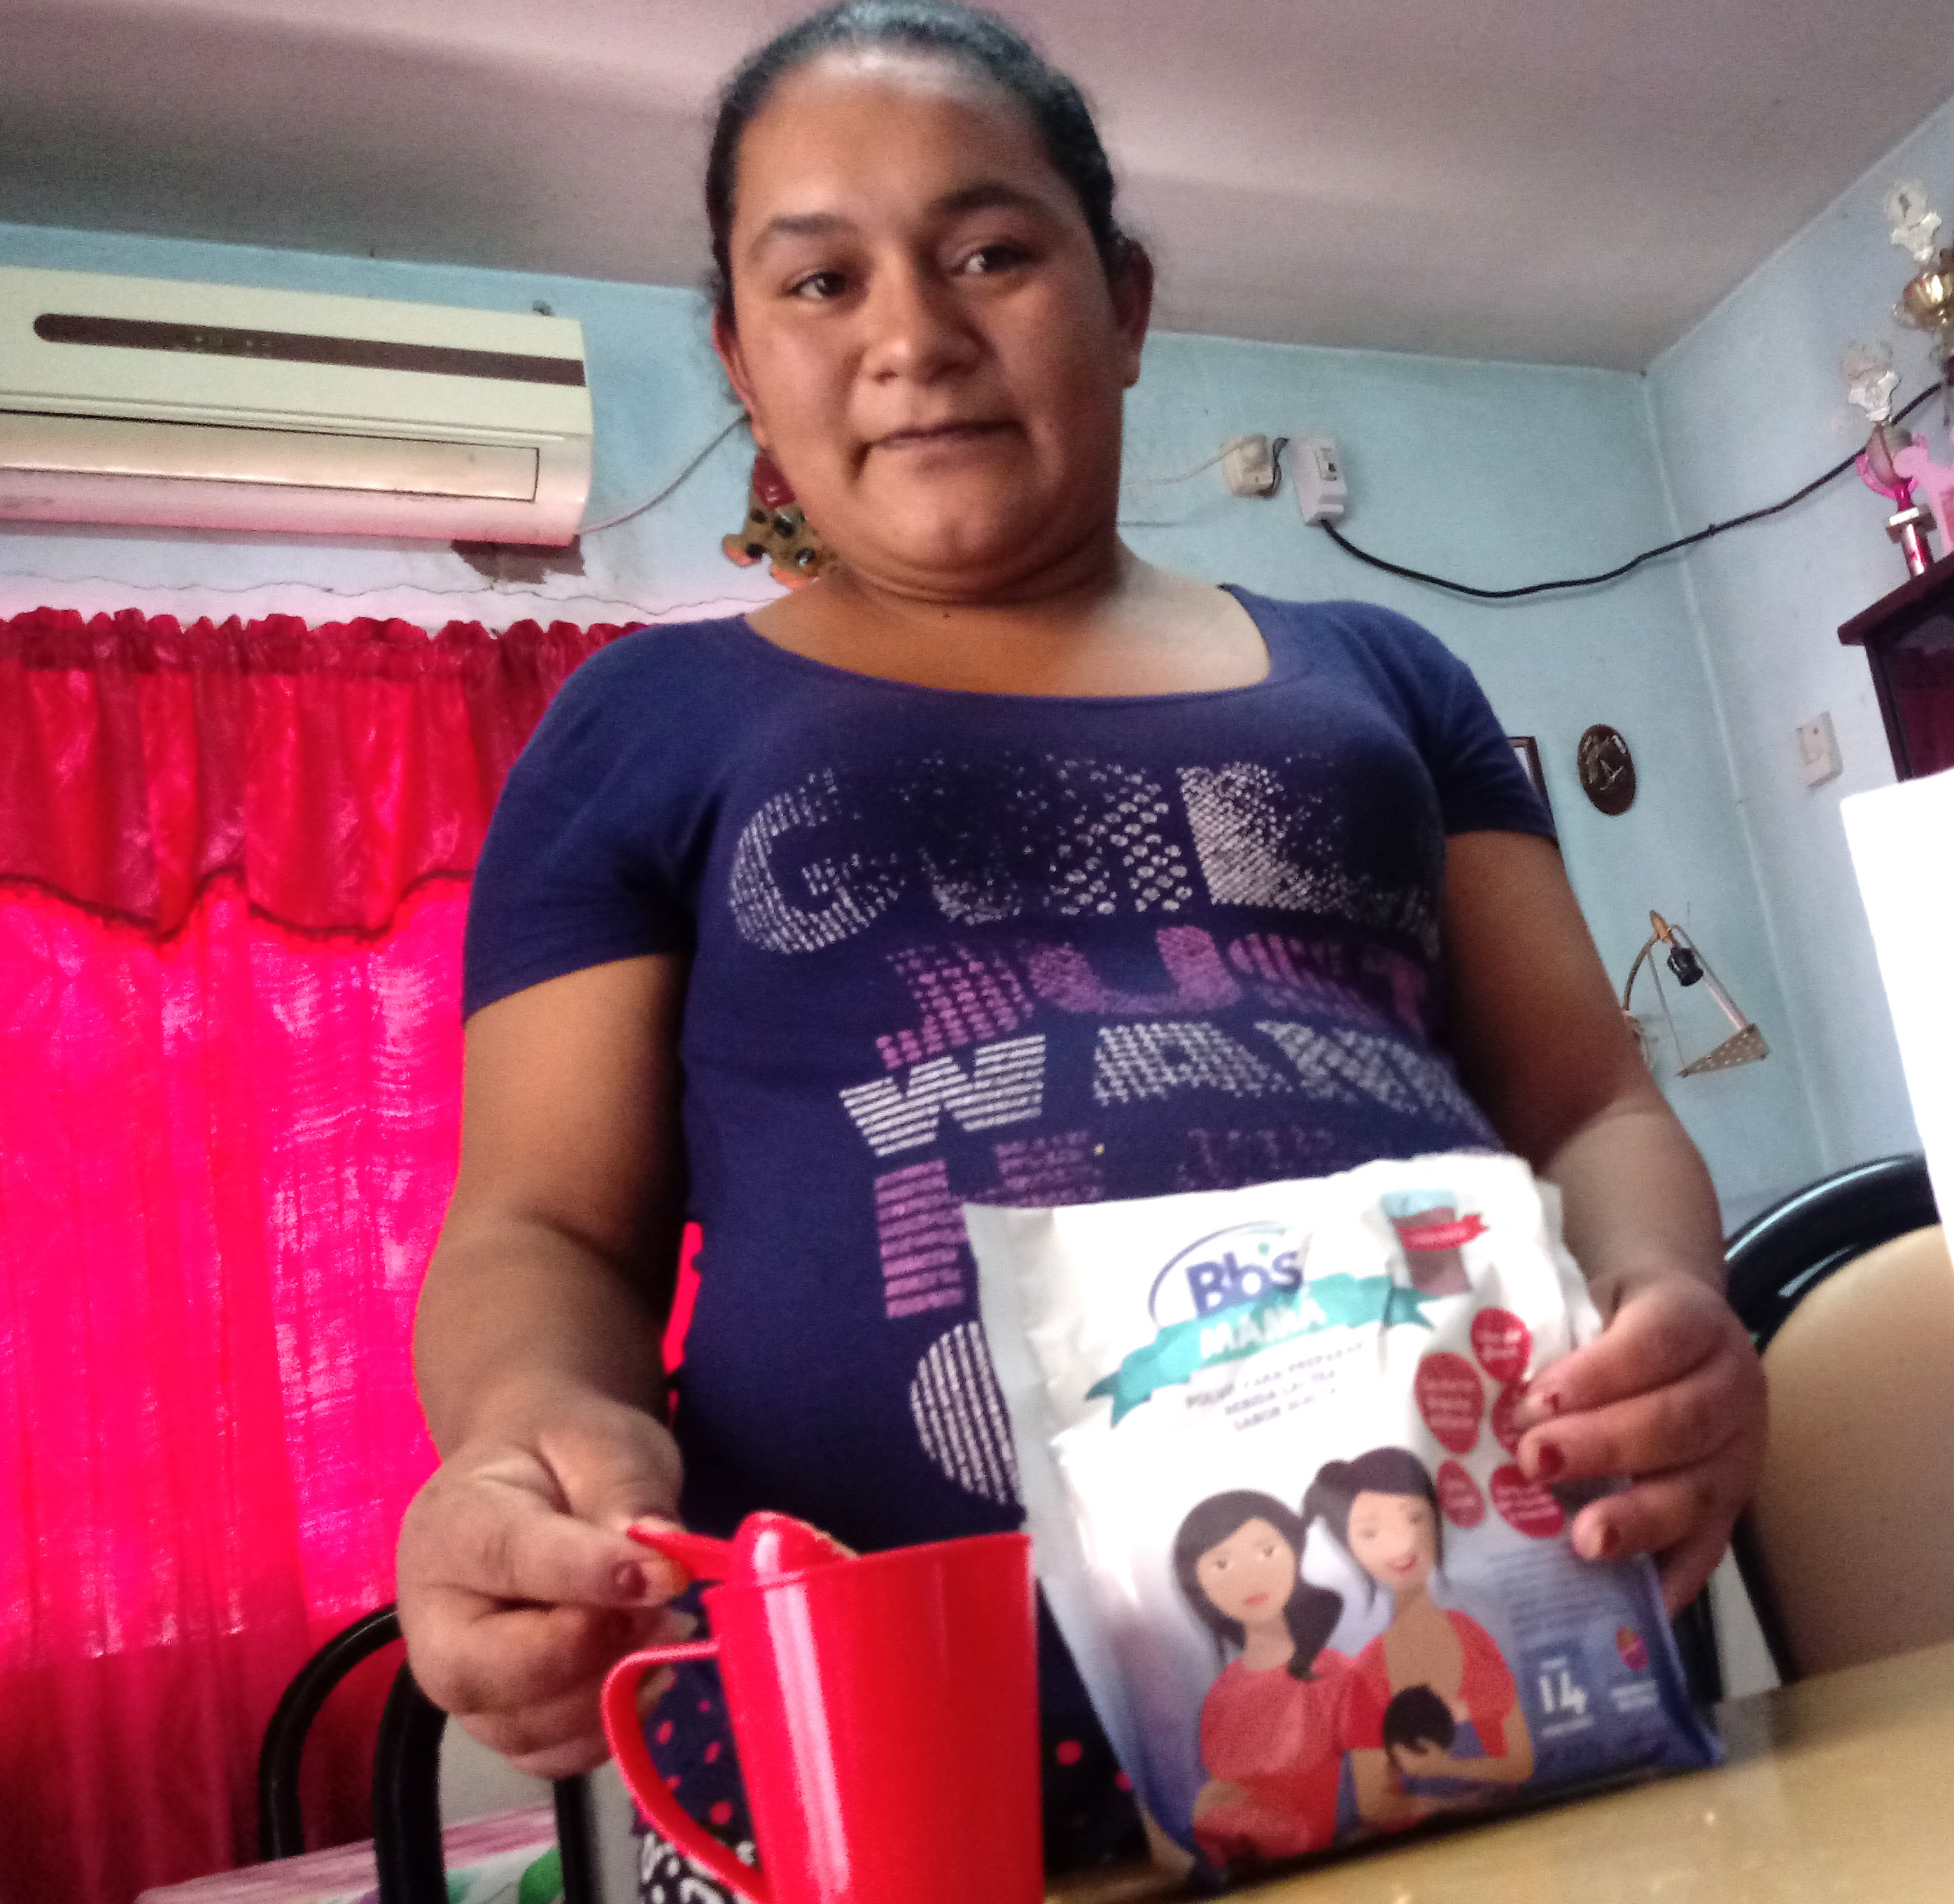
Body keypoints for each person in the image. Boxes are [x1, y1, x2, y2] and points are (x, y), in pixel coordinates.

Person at [389, 0, 1764, 1876]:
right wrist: (528, 1434)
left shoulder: (1385, 676)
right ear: (737, 357)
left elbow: (1591, 1104)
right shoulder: (638, 727)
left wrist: (1665, 1308)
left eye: (988, 252)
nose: (912, 335)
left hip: (1474, 1710)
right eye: (819, 281)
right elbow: (544, 1227)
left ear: (1121, 303)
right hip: (894, 1794)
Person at [1305, 1448, 1531, 1830]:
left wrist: (1444, 1767)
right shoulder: (1367, 1673)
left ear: (1435, 1520)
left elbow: (1521, 1764)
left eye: (1413, 1518)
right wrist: (1454, 1805)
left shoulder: (1469, 1636)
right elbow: (1375, 1805)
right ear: (1351, 1548)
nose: (1400, 1545)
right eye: (1371, 1533)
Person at [1172, 1493, 1352, 1868]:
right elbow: (1218, 1799)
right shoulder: (1222, 1693)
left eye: (1266, 1552)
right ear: (1198, 1586)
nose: (1249, 1577)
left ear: (1296, 1554)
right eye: (1222, 1564)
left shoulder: (1337, 1674)